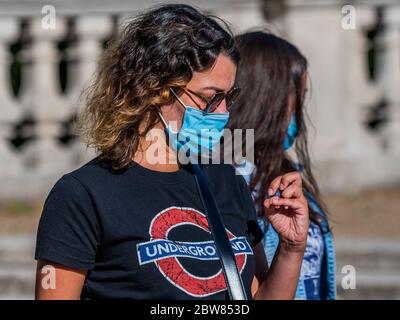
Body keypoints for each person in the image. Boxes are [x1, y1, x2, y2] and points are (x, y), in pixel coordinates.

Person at [34, 5, 309, 300]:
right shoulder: (82, 195)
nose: (224, 113)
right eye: (210, 97)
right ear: (154, 88)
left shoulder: (225, 180)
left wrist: (291, 249)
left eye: (228, 98)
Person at [229, 31, 336, 300]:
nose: (299, 113)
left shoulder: (285, 175)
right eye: (296, 99)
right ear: (265, 100)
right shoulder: (229, 183)